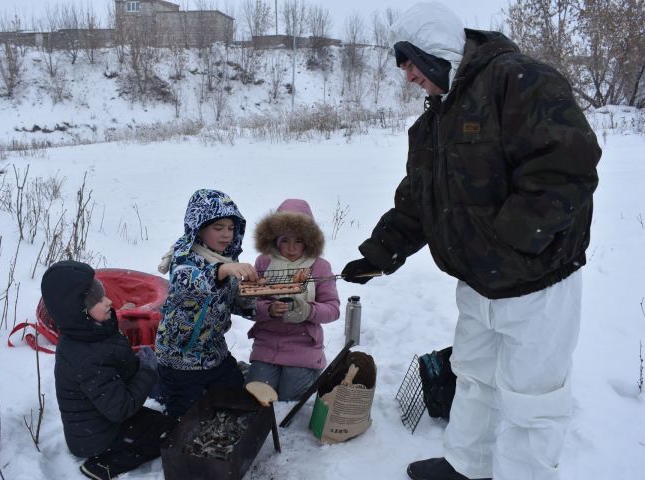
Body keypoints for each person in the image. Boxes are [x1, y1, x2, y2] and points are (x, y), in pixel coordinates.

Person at [340, 3, 601, 480]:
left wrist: (514, 242)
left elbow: (566, 167)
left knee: (532, 399)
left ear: (437, 50)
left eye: (411, 63)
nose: (408, 76)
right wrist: (381, 252)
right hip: (478, 282)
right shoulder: (434, 121)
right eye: (403, 67)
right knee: (474, 377)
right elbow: (418, 200)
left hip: (536, 281)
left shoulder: (518, 81)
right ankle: (467, 465)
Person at [41, 260, 175, 480]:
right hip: (96, 440)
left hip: (102, 422)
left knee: (164, 424)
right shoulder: (85, 357)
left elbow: (112, 367)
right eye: (99, 299)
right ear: (79, 310)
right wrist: (148, 370)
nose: (109, 301)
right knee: (166, 435)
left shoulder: (90, 331)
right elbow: (121, 408)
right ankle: (103, 466)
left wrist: (136, 358)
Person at [155, 189, 257, 418]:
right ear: (199, 228)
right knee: (188, 419)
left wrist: (260, 306)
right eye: (218, 228)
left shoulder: (226, 258)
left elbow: (230, 301)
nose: (226, 235)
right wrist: (223, 270)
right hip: (180, 361)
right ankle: (160, 383)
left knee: (237, 403)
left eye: (231, 228)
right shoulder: (184, 257)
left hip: (214, 355)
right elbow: (190, 282)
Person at [245, 199, 340, 401]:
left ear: (308, 240)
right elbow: (251, 301)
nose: (291, 248)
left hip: (304, 345)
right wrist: (268, 309)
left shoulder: (320, 267)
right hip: (267, 344)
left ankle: (309, 375)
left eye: (298, 241)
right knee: (257, 398)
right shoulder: (264, 262)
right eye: (285, 240)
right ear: (275, 239)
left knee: (290, 400)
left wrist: (308, 311)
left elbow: (333, 309)